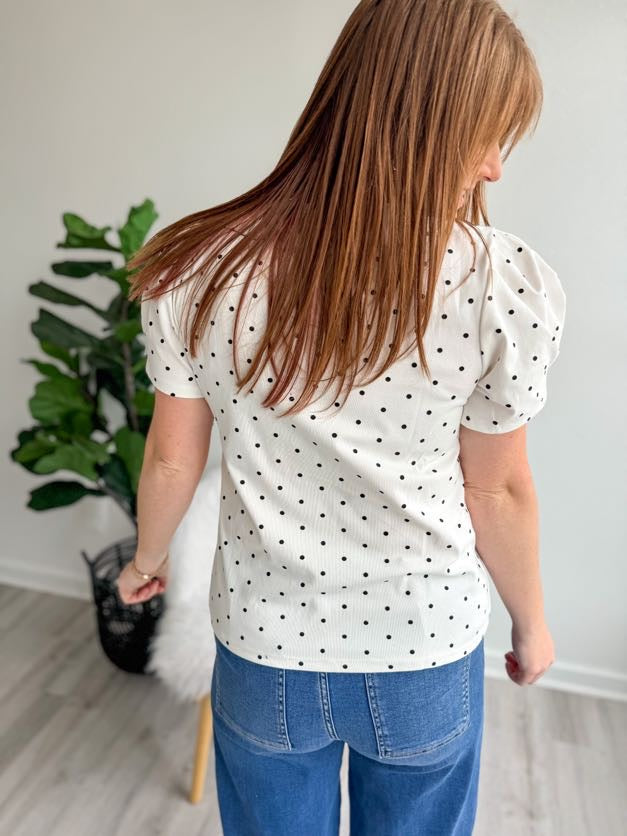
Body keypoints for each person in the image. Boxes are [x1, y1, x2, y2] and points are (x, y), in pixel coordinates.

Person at [119, 0, 566, 833]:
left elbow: (173, 461)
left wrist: (150, 559)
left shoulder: (199, 269)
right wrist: (531, 625)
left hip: (263, 653)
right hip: (422, 651)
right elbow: (498, 490)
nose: (497, 167)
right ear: (428, 125)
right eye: (488, 134)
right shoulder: (505, 285)